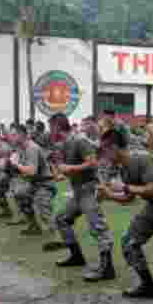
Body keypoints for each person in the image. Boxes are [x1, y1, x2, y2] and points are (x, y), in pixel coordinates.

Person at [97, 126, 153, 304]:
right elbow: (129, 198)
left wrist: (125, 187)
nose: (104, 154)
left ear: (114, 148)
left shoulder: (141, 159)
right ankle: (148, 286)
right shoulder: (124, 168)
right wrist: (109, 194)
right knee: (129, 243)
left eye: (105, 149)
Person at [46, 112, 115, 281]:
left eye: (50, 127)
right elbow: (65, 170)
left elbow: (92, 163)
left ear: (57, 126)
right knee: (61, 219)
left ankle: (107, 268)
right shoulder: (65, 144)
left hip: (89, 189)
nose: (49, 131)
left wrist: (70, 168)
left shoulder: (79, 140)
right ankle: (76, 256)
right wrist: (59, 170)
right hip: (78, 191)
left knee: (98, 227)